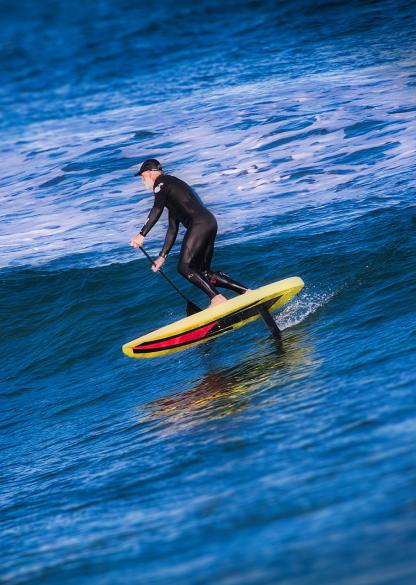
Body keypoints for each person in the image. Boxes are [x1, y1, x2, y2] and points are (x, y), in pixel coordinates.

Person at [130, 158, 249, 307]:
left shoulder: (161, 182)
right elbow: (173, 228)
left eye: (142, 176)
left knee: (184, 267)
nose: (142, 180)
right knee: (205, 273)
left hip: (199, 224)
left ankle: (217, 299)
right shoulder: (172, 188)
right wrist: (162, 256)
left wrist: (142, 234)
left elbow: (156, 209)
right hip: (209, 222)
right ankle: (246, 292)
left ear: (150, 172)